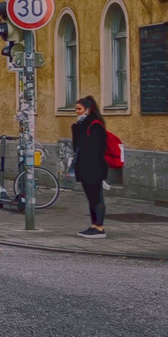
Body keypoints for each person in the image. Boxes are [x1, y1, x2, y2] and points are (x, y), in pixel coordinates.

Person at [70, 95, 108, 239]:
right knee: (91, 197)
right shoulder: (80, 126)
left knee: (96, 197)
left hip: (94, 168)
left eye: (79, 109)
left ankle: (99, 227)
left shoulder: (96, 125)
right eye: (76, 109)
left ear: (87, 110)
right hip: (85, 168)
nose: (77, 112)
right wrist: (77, 127)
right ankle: (93, 225)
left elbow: (97, 149)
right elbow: (77, 147)